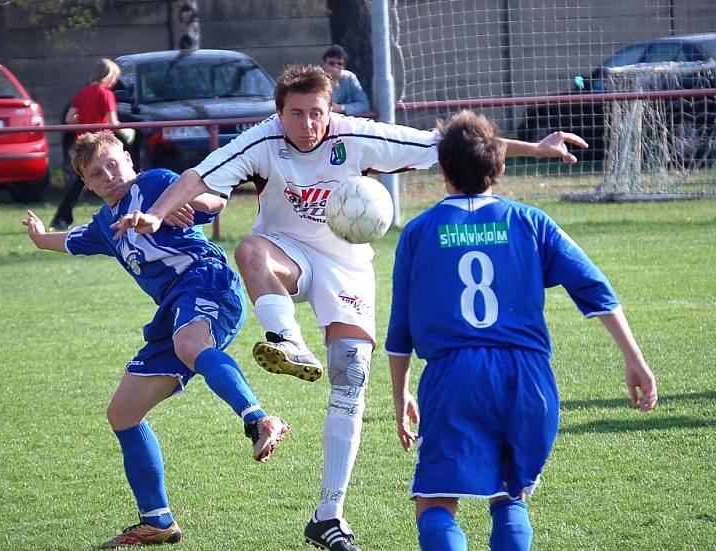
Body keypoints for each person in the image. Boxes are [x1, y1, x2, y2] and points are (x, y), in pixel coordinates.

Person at [110, 64, 589, 551]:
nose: (308, 124)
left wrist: (537, 148)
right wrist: (155, 213)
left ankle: (329, 515)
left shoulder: (355, 135)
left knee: (351, 375)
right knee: (249, 250)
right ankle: (287, 340)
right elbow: (196, 176)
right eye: (296, 114)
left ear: (330, 110)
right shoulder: (261, 140)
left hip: (346, 265)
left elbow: (447, 143)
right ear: (280, 114)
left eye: (316, 113)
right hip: (287, 253)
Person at [385, 110, 658, 551]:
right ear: (502, 167)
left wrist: (400, 396)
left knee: (436, 499)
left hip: (456, 375)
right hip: (527, 377)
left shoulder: (418, 233)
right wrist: (635, 358)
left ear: (442, 170)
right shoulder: (531, 222)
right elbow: (596, 287)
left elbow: (400, 331)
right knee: (511, 495)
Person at [23, 131, 289, 548]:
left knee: (190, 344)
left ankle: (259, 419)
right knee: (123, 413)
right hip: (172, 312)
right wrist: (40, 239)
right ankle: (157, 520)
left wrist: (187, 205)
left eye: (113, 163)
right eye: (96, 173)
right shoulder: (103, 226)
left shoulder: (154, 184)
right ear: (87, 184)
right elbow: (70, 241)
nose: (109, 175)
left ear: (128, 159)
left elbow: (213, 201)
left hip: (207, 282)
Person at [50, 58, 135, 230]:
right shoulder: (106, 94)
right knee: (122, 176)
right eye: (115, 77)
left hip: (83, 146)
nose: (114, 82)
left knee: (80, 183)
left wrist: (86, 122)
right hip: (103, 146)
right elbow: (113, 123)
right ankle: (127, 211)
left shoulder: (82, 93)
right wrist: (127, 132)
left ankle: (62, 218)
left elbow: (69, 119)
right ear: (109, 76)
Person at [321, 44, 370, 116]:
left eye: (339, 64)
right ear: (324, 64)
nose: (335, 66)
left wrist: (342, 108)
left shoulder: (349, 78)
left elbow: (364, 105)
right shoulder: (316, 78)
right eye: (331, 63)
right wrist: (332, 82)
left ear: (343, 66)